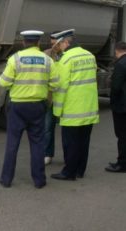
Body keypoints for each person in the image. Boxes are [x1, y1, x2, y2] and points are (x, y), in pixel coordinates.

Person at [0, 30, 59, 188]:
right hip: (38, 106)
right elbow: (55, 84)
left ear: (24, 42)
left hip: (17, 106)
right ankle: (39, 181)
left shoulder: (15, 59)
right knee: (38, 143)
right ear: (38, 43)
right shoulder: (47, 60)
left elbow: (4, 83)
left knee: (12, 143)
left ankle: (6, 180)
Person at [50, 29, 100, 180]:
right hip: (89, 108)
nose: (55, 48)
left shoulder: (65, 60)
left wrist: (56, 111)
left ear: (65, 42)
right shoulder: (89, 55)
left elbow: (61, 88)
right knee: (84, 142)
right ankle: (80, 170)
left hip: (72, 110)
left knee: (70, 143)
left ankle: (68, 173)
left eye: (56, 45)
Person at [104, 41, 126, 173]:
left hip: (122, 106)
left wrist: (112, 101)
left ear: (116, 51)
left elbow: (116, 87)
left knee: (122, 135)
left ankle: (122, 164)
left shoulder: (121, 64)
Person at [43, 32, 62, 165]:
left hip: (65, 98)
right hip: (50, 98)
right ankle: (47, 154)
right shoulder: (46, 54)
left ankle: (70, 156)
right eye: (51, 43)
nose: (53, 46)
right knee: (47, 128)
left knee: (68, 130)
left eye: (55, 43)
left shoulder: (68, 55)